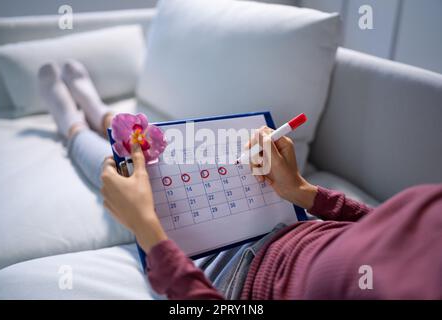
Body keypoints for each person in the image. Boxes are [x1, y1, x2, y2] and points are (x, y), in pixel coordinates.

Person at [39, 61, 442, 300]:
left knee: (130, 172)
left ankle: (73, 127)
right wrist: (304, 193)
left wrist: (146, 230)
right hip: (289, 222)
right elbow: (388, 228)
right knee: (162, 149)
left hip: (236, 275)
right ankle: (104, 114)